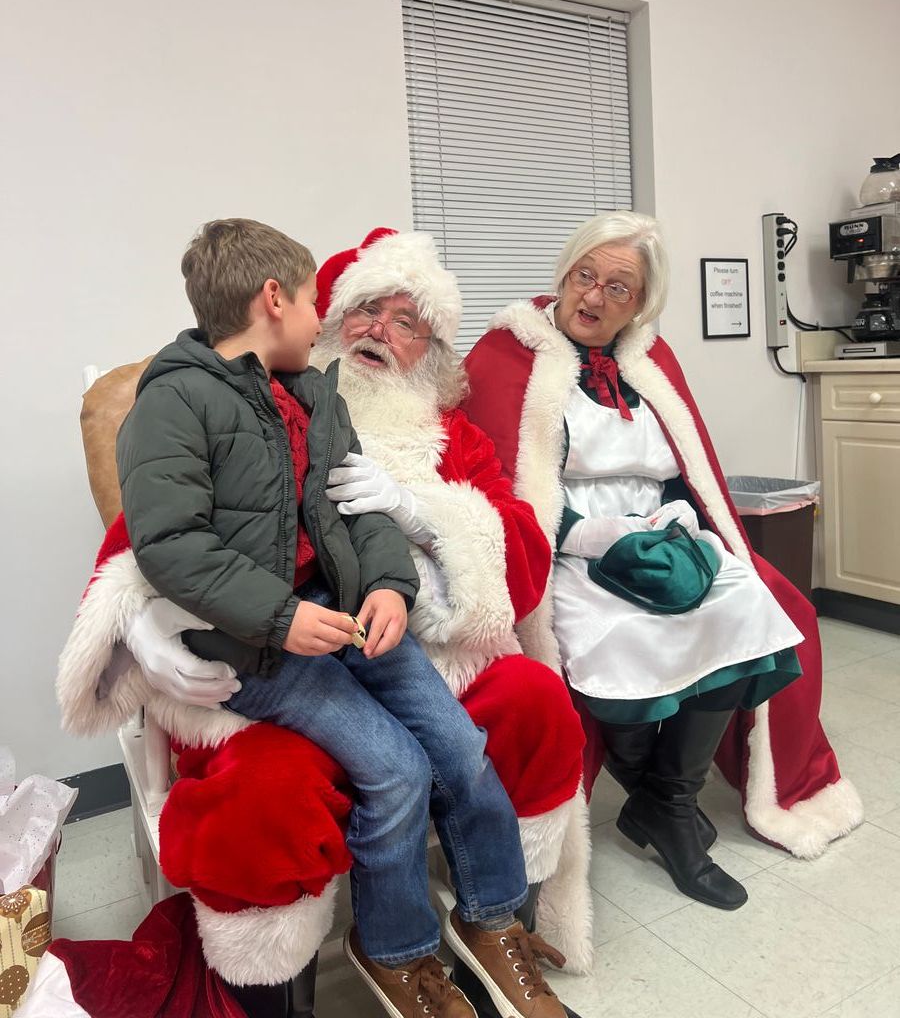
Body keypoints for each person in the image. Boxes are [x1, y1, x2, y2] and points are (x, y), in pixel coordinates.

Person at [59, 226, 587, 1018]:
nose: (379, 331)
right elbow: (154, 541)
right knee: (324, 779)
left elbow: (514, 553)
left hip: (388, 636)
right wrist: (138, 621)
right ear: (315, 313)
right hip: (269, 653)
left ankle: (492, 925)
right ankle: (364, 961)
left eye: (406, 321)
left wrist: (415, 531)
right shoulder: (201, 401)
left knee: (500, 722)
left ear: (433, 352)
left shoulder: (399, 421)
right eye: (363, 309)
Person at [463, 211, 864, 907]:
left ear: (641, 304)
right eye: (585, 276)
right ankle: (655, 798)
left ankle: (667, 803)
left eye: (618, 288)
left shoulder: (651, 360)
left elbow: (687, 468)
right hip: (567, 552)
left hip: (663, 533)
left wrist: (680, 530)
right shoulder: (505, 354)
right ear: (564, 273)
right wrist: (592, 537)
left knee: (750, 608)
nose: (594, 297)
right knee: (617, 643)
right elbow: (499, 484)